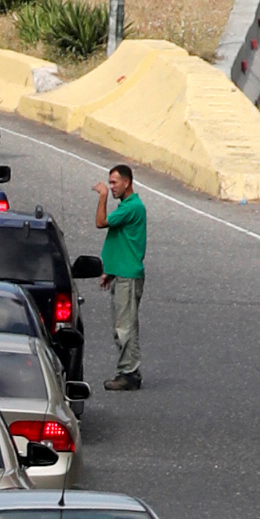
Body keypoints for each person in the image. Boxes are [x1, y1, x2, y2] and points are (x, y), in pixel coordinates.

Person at [96, 160, 147, 389]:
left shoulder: (132, 207)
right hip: (121, 272)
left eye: (114, 183)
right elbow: (120, 241)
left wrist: (102, 196)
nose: (112, 186)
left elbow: (101, 223)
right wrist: (110, 270)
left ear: (127, 183)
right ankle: (126, 369)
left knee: (125, 326)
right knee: (120, 324)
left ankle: (130, 372)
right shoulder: (127, 206)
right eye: (109, 183)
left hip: (128, 275)